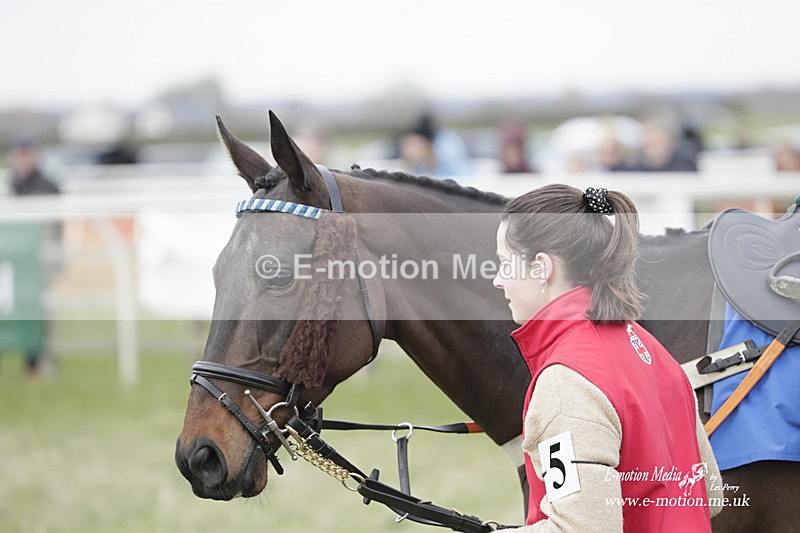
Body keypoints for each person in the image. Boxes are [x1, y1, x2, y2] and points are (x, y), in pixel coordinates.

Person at [493, 184, 722, 531]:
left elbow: (581, 528)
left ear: (541, 268)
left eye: (504, 264)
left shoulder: (566, 381)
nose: (498, 280)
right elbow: (710, 493)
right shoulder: (649, 349)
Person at [7, 137, 60, 376]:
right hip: (17, 259)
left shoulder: (46, 185)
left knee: (40, 311)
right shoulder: (12, 183)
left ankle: (37, 362)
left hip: (38, 258)